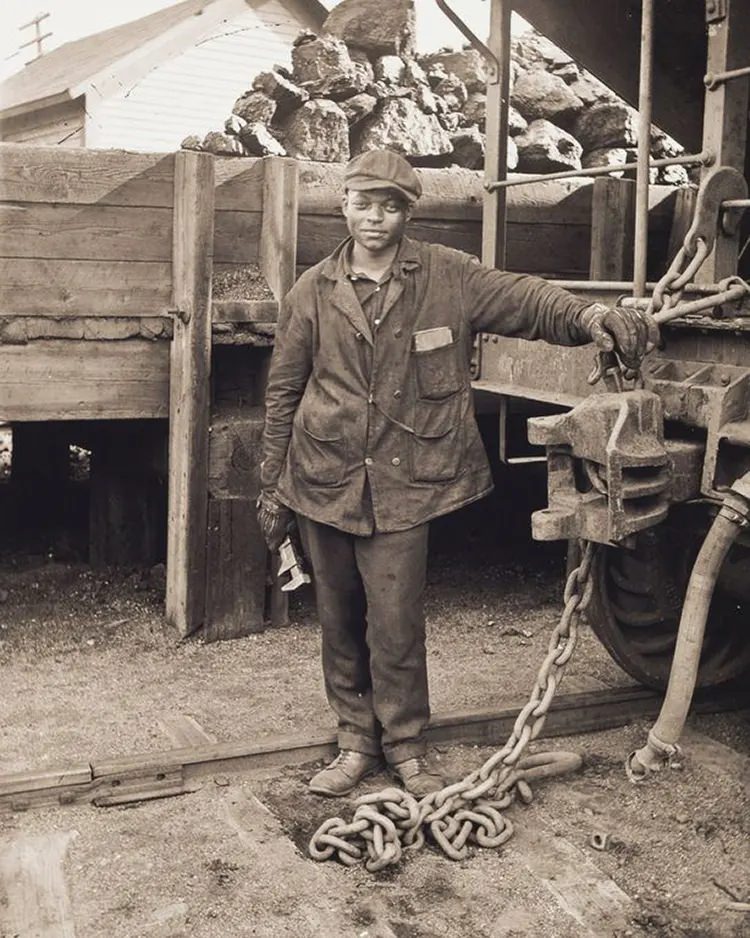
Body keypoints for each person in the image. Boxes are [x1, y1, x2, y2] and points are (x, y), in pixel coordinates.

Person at [257, 148, 658, 799]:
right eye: (363, 202)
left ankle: (407, 746)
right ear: (345, 205)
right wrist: (271, 486)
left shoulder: (448, 276)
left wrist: (588, 317)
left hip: (404, 483)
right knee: (338, 619)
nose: (375, 218)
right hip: (322, 479)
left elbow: (525, 299)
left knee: (395, 619)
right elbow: (281, 393)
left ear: (407, 213)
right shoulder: (313, 292)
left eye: (390, 206)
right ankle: (356, 742)